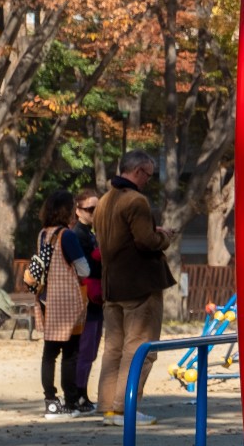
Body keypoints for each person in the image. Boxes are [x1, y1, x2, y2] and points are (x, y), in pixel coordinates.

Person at [92, 151, 174, 426]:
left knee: (114, 348)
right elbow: (146, 242)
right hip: (139, 285)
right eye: (148, 175)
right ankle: (126, 407)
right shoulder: (135, 200)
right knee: (140, 348)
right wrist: (164, 237)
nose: (148, 181)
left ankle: (108, 407)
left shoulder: (103, 201)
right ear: (138, 171)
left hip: (112, 286)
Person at [29, 191, 91, 417]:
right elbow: (84, 269)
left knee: (49, 353)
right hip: (67, 303)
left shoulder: (42, 234)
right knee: (70, 353)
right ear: (66, 211)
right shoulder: (67, 236)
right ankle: (71, 401)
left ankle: (50, 401)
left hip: (46, 300)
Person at [69, 191, 103, 404]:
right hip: (85, 298)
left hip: (95, 298)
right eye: (90, 209)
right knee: (84, 349)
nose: (94, 213)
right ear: (78, 210)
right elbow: (85, 268)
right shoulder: (77, 235)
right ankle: (78, 393)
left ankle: (81, 392)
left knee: (90, 350)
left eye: (97, 209)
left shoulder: (90, 234)